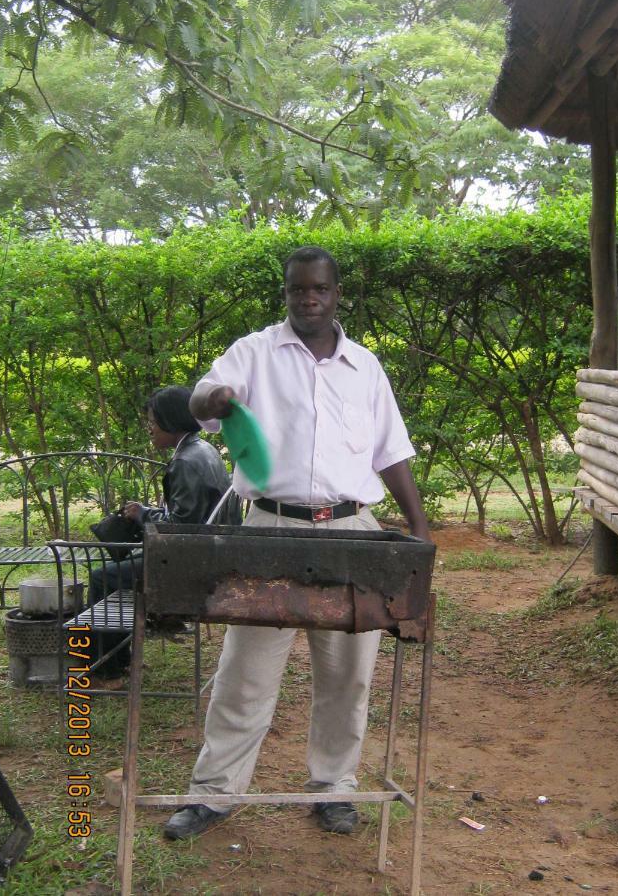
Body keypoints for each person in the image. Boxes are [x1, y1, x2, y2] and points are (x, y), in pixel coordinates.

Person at [163, 246, 431, 840]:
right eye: (296, 290)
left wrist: (419, 528)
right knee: (246, 668)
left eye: (319, 289)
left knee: (348, 671)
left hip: (352, 533)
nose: (307, 298)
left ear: (337, 295)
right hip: (268, 530)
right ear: (286, 294)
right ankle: (214, 794)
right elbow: (203, 398)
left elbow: (392, 452)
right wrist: (215, 401)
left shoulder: (366, 368)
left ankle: (334, 787)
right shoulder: (255, 353)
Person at [88, 385, 235, 676]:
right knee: (119, 567)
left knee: (102, 578)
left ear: (172, 421)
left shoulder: (185, 462)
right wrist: (145, 512)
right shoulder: (203, 449)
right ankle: (119, 659)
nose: (150, 429)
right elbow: (191, 516)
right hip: (211, 553)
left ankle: (107, 667)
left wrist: (143, 515)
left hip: (190, 565)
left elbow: (182, 529)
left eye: (153, 423)